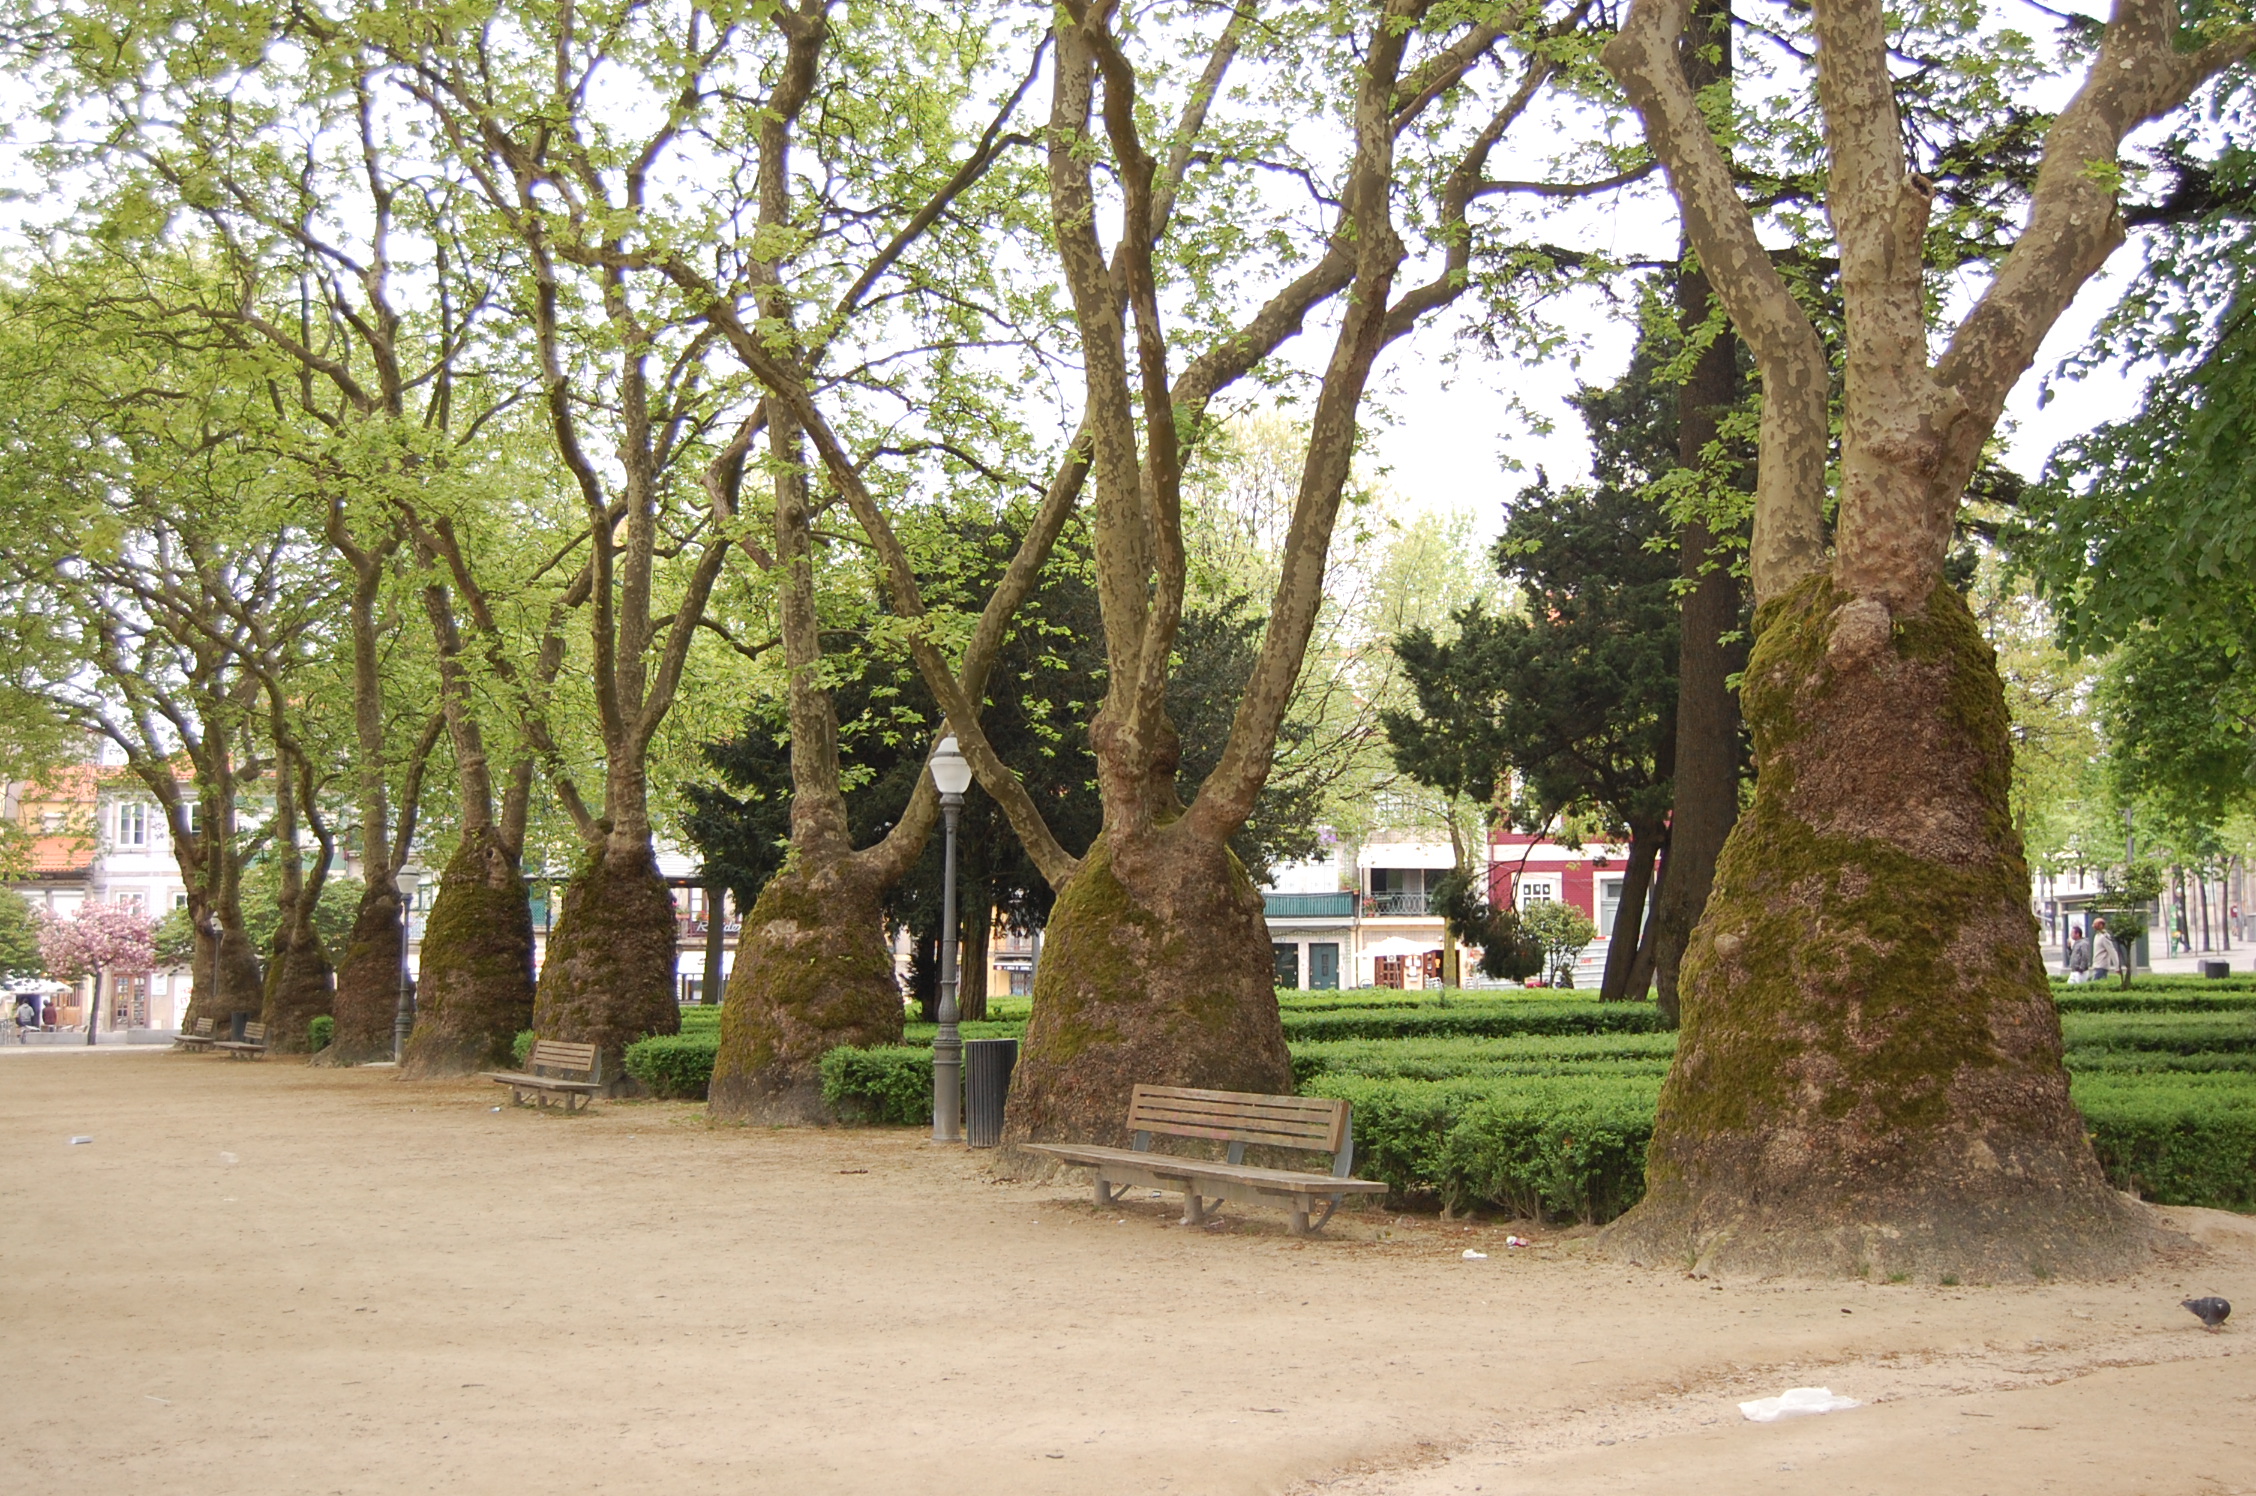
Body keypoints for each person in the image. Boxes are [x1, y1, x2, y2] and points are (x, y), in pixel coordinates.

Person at [2091, 916, 2121, 983]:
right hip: (2096, 966)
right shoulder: (2097, 936)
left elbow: (2112, 951)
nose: (2093, 926)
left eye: (2095, 924)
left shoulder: (2105, 937)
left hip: (2101, 966)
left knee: (2095, 986)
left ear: (2101, 925)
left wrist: (2117, 967)